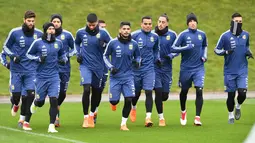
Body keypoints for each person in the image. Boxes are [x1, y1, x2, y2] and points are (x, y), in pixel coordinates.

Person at [3, 10, 43, 130]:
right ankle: (15, 104)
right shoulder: (15, 33)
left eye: (33, 21)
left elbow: (42, 48)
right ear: (24, 20)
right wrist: (13, 56)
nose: (31, 23)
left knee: (30, 95)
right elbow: (5, 47)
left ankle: (23, 120)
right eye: (29, 21)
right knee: (16, 96)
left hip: (31, 71)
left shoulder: (39, 34)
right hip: (17, 70)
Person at [27, 22, 67, 133]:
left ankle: (51, 126)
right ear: (45, 30)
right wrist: (38, 58)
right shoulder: (38, 42)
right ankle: (35, 102)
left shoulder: (58, 43)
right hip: (41, 77)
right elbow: (28, 54)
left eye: (53, 29)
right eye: (49, 28)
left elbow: (63, 54)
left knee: (54, 100)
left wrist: (64, 59)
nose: (51, 30)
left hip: (54, 76)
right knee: (41, 102)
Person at [214, 12, 253, 124]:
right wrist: (225, 52)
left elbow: (246, 46)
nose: (239, 23)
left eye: (240, 22)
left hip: (242, 70)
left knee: (243, 93)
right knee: (231, 95)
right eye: (236, 22)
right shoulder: (225, 36)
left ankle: (238, 106)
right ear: (232, 22)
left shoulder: (246, 34)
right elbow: (216, 49)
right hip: (229, 71)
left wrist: (248, 52)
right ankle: (230, 114)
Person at [75, 13, 112, 128]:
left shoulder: (104, 33)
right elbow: (76, 43)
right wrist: (78, 53)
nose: (91, 27)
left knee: (97, 91)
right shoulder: (80, 32)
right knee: (86, 89)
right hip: (85, 65)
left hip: (99, 67)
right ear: (87, 22)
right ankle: (85, 117)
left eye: (94, 25)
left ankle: (92, 114)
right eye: (90, 25)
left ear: (97, 23)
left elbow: (112, 46)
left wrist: (104, 45)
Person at [171, 13, 208, 126]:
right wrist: (185, 47)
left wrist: (205, 56)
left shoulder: (202, 34)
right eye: (190, 21)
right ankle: (183, 111)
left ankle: (197, 117)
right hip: (186, 69)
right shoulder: (183, 35)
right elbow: (173, 48)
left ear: (197, 23)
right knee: (184, 91)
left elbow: (204, 45)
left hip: (199, 68)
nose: (192, 23)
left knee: (199, 89)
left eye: (194, 21)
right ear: (188, 24)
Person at [104, 21, 141, 131]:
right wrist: (111, 67)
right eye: (124, 29)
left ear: (130, 30)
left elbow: (138, 56)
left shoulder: (134, 44)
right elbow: (105, 56)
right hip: (115, 77)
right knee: (114, 101)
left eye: (128, 29)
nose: (126, 31)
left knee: (129, 99)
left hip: (128, 77)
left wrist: (137, 62)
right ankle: (113, 102)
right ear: (120, 30)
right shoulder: (113, 43)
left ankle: (123, 124)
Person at [130, 16, 161, 127]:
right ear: (141, 24)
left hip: (149, 69)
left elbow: (156, 49)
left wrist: (157, 58)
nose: (147, 26)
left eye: (149, 24)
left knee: (148, 91)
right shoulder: (134, 35)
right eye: (145, 24)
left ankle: (148, 117)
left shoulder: (155, 37)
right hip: (136, 70)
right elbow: (129, 50)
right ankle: (133, 107)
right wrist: (134, 60)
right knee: (136, 93)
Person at [50, 14, 75, 127]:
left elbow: (75, 48)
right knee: (54, 93)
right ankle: (55, 117)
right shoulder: (46, 36)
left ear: (61, 23)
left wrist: (67, 56)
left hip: (65, 68)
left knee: (63, 94)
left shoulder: (67, 35)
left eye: (58, 21)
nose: (56, 23)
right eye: (54, 21)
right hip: (52, 69)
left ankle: (56, 106)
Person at [152, 13, 178, 126]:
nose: (160, 24)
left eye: (163, 22)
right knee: (158, 92)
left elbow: (177, 49)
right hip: (154, 68)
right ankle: (161, 118)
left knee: (165, 96)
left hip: (167, 69)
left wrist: (171, 56)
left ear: (167, 23)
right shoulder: (152, 34)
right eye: (159, 21)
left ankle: (161, 103)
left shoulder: (172, 35)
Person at [0, 50, 28, 128]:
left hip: (28, 74)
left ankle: (21, 120)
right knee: (16, 97)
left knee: (25, 97)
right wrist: (6, 63)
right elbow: (2, 54)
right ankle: (16, 104)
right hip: (15, 75)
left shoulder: (32, 40)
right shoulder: (12, 41)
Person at [94, 19, 108, 124]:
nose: (103, 29)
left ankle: (95, 111)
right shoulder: (92, 37)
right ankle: (88, 113)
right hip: (92, 67)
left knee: (99, 90)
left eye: (104, 27)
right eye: (101, 27)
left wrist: (104, 45)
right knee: (89, 89)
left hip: (104, 68)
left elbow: (113, 46)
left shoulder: (107, 38)